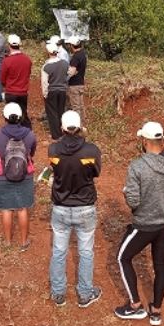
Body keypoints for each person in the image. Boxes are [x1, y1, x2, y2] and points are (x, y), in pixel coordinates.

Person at [114, 122, 164, 326]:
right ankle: (155, 312)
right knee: (160, 265)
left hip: (144, 225)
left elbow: (134, 201)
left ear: (145, 141)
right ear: (161, 140)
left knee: (123, 257)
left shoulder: (137, 166)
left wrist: (127, 193)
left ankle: (135, 306)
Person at [48, 111, 102, 308]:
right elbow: (96, 173)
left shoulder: (53, 150)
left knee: (59, 251)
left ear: (62, 128)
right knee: (86, 252)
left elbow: (55, 170)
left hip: (61, 207)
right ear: (80, 128)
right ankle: (85, 294)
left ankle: (58, 293)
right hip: (85, 207)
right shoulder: (91, 150)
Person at [0, 103, 36, 247]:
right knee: (22, 209)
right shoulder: (29, 134)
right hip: (24, 174)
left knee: (7, 209)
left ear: (4, 117)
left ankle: (8, 241)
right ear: (21, 117)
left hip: (3, 175)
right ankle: (23, 241)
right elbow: (32, 153)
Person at [0, 34, 33, 128]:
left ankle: (12, 134)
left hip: (11, 92)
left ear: (9, 45)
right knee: (23, 113)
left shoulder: (7, 61)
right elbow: (28, 74)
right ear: (20, 45)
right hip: (23, 92)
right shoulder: (27, 60)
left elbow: (2, 79)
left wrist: (5, 85)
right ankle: (27, 133)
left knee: (11, 115)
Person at [41, 42, 69, 139]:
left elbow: (45, 83)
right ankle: (63, 131)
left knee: (52, 113)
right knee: (61, 111)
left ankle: (56, 135)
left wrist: (45, 94)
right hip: (62, 91)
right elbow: (67, 75)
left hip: (52, 91)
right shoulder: (65, 63)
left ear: (48, 52)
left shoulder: (46, 66)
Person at [66, 36, 88, 122]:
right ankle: (83, 121)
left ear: (72, 45)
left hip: (74, 84)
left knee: (75, 107)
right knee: (81, 105)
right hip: (81, 83)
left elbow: (71, 72)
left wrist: (65, 74)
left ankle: (78, 125)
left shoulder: (75, 57)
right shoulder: (83, 54)